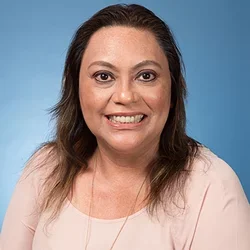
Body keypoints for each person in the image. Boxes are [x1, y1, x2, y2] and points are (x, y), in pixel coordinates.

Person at [0, 4, 249, 250]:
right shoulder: (45, 169)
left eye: (146, 76)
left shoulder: (213, 187)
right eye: (104, 76)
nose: (125, 96)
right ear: (75, 90)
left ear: (173, 91)